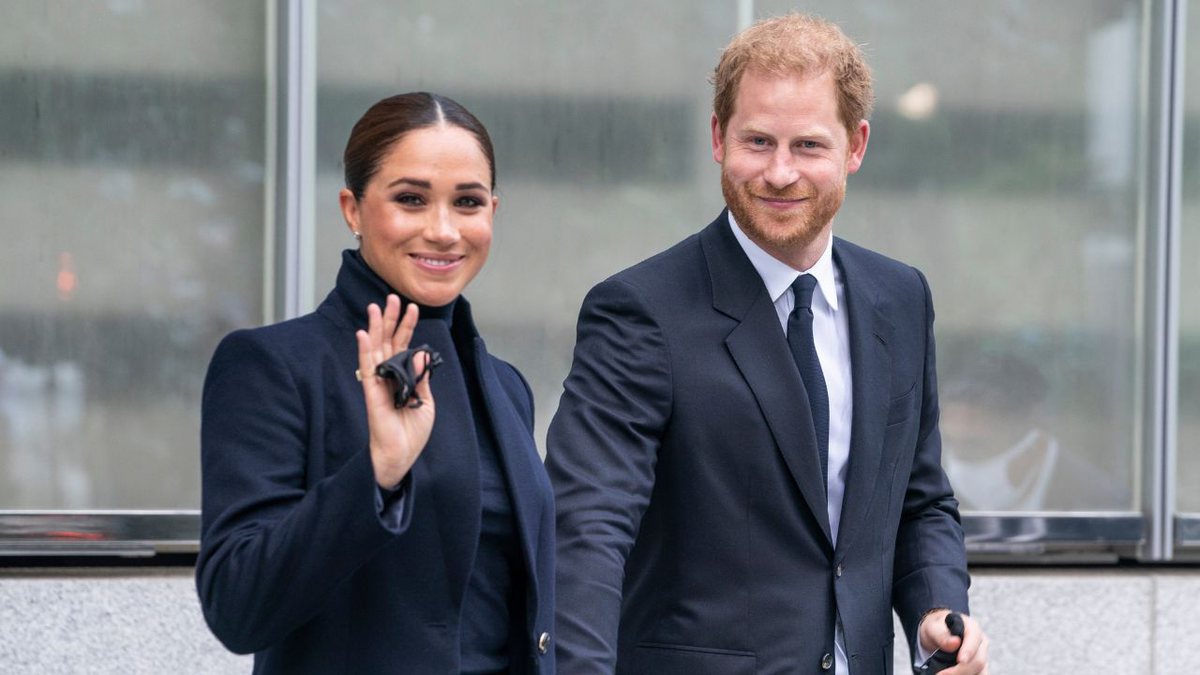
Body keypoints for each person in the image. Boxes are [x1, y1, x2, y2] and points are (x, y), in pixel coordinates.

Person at [547, 15, 988, 674]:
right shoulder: (639, 311)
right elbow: (588, 527)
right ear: (719, 137)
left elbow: (919, 498)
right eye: (758, 140)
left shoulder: (900, 298)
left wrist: (935, 608)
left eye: (809, 145)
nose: (780, 173)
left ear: (856, 145)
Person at [196, 92, 555, 674]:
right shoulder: (272, 367)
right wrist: (378, 473)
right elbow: (238, 607)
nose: (443, 230)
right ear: (353, 208)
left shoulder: (505, 386)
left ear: (493, 211)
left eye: (467, 202)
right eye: (411, 199)